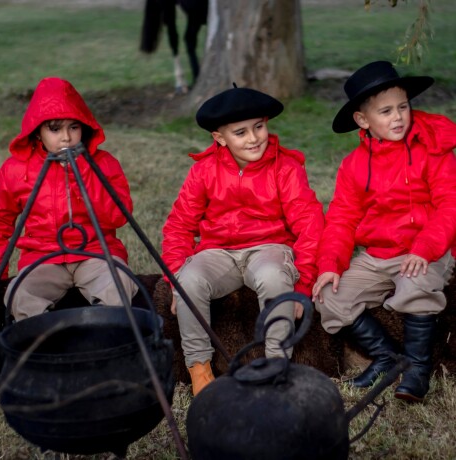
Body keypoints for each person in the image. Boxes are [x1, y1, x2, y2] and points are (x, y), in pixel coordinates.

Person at [162, 85, 324, 395]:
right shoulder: (203, 172)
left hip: (269, 248)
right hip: (217, 252)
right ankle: (199, 369)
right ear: (220, 138)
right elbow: (178, 226)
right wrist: (174, 278)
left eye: (259, 127)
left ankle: (277, 366)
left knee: (273, 276)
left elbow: (310, 224)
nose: (254, 138)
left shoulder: (285, 168)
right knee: (190, 279)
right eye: (241, 132)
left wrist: (302, 287)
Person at [312, 61, 456, 403]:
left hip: (428, 248)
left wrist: (424, 248)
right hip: (379, 255)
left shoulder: (433, 148)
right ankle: (388, 358)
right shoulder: (354, 165)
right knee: (329, 296)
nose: (398, 117)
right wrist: (330, 263)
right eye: (386, 111)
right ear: (363, 120)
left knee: (416, 284)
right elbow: (343, 218)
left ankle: (419, 368)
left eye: (403, 107)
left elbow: (450, 204)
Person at [0, 77, 138, 321]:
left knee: (118, 285)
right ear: (37, 133)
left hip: (96, 253)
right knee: (20, 295)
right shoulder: (16, 169)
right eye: (54, 129)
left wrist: (82, 168)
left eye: (74, 127)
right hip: (42, 258)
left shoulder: (102, 163)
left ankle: (104, 347)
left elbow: (117, 215)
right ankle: (47, 351)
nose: (66, 138)